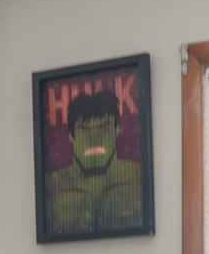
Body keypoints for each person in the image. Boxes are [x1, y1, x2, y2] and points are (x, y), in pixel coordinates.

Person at [47, 89, 143, 235]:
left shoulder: (137, 175)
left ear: (116, 130)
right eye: (84, 130)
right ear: (71, 136)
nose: (93, 139)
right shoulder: (54, 184)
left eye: (103, 129)